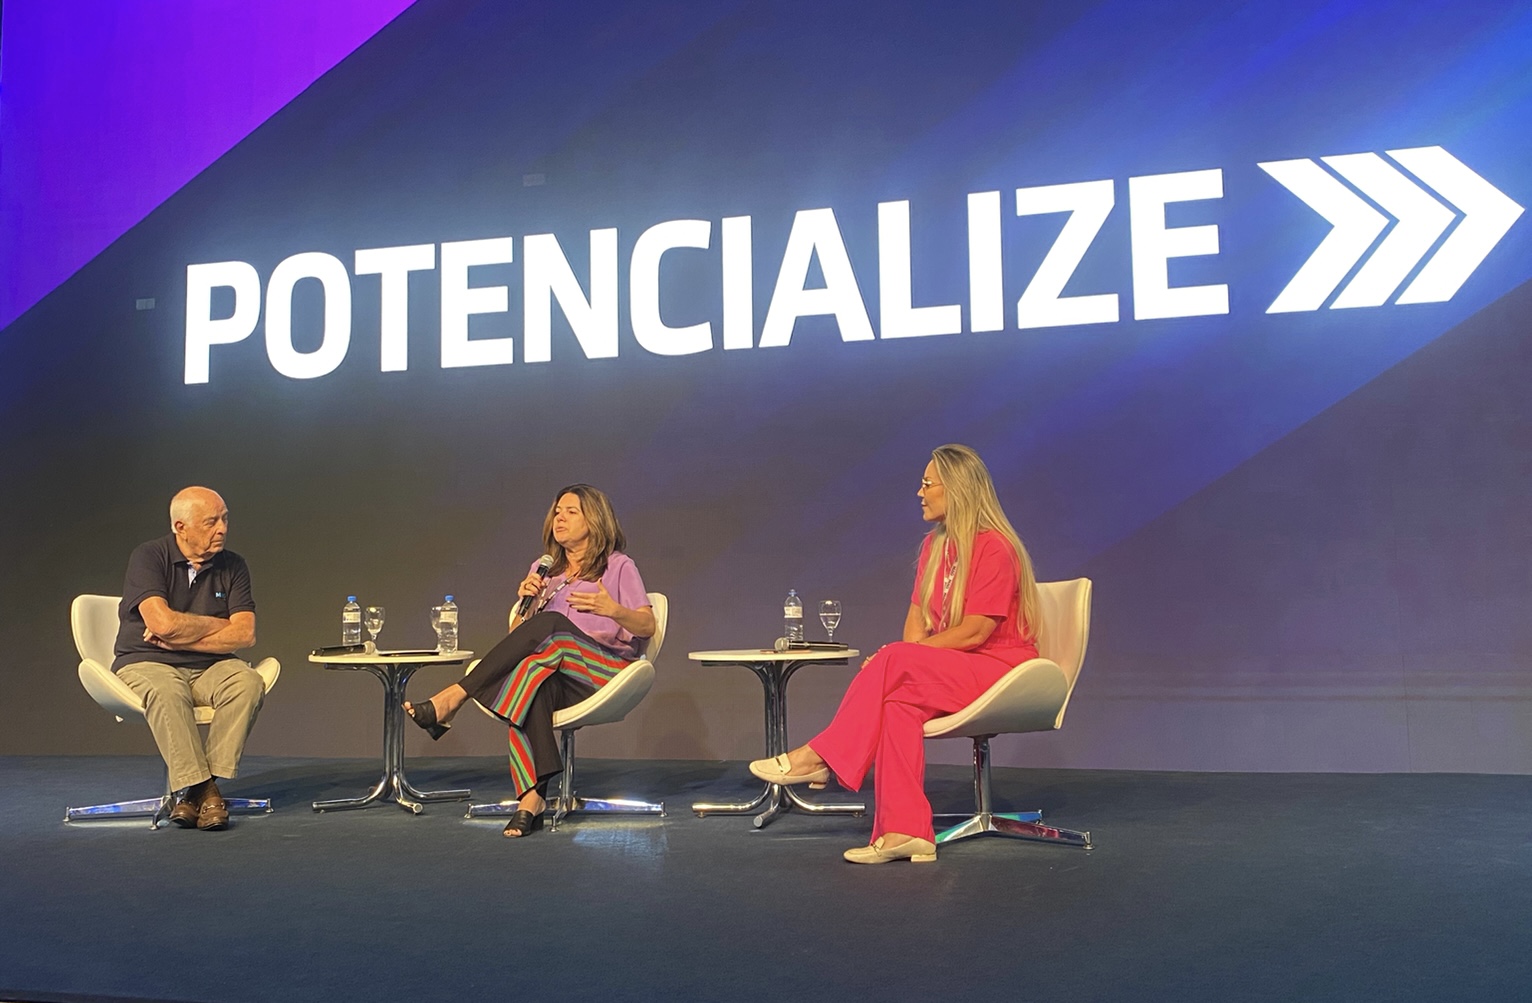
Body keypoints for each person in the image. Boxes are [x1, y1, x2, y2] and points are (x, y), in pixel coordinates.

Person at [751, 444, 1042, 864]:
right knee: (896, 705)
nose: (919, 493)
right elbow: (916, 625)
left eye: (927, 484)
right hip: (958, 668)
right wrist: (902, 657)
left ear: (956, 488)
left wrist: (899, 657)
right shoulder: (934, 548)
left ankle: (823, 755)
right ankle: (905, 832)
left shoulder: (996, 547)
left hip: (1003, 669)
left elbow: (976, 631)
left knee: (893, 660)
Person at [405, 484, 655, 838]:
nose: (559, 519)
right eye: (557, 512)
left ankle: (454, 697)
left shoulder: (617, 566)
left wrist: (612, 609)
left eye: (571, 512)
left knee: (551, 626)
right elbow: (520, 640)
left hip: (606, 671)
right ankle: (531, 800)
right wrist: (526, 606)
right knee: (528, 677)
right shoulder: (543, 570)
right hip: (559, 671)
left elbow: (647, 625)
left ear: (595, 520)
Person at [112, 486, 266, 831]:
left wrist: (182, 637)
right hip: (147, 662)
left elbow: (245, 634)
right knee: (168, 691)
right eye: (211, 522)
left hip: (209, 667)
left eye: (224, 519)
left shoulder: (234, 565)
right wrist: (218, 624)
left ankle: (192, 794)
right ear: (181, 527)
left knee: (247, 682)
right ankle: (206, 791)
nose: (222, 528)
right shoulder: (149, 556)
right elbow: (162, 624)